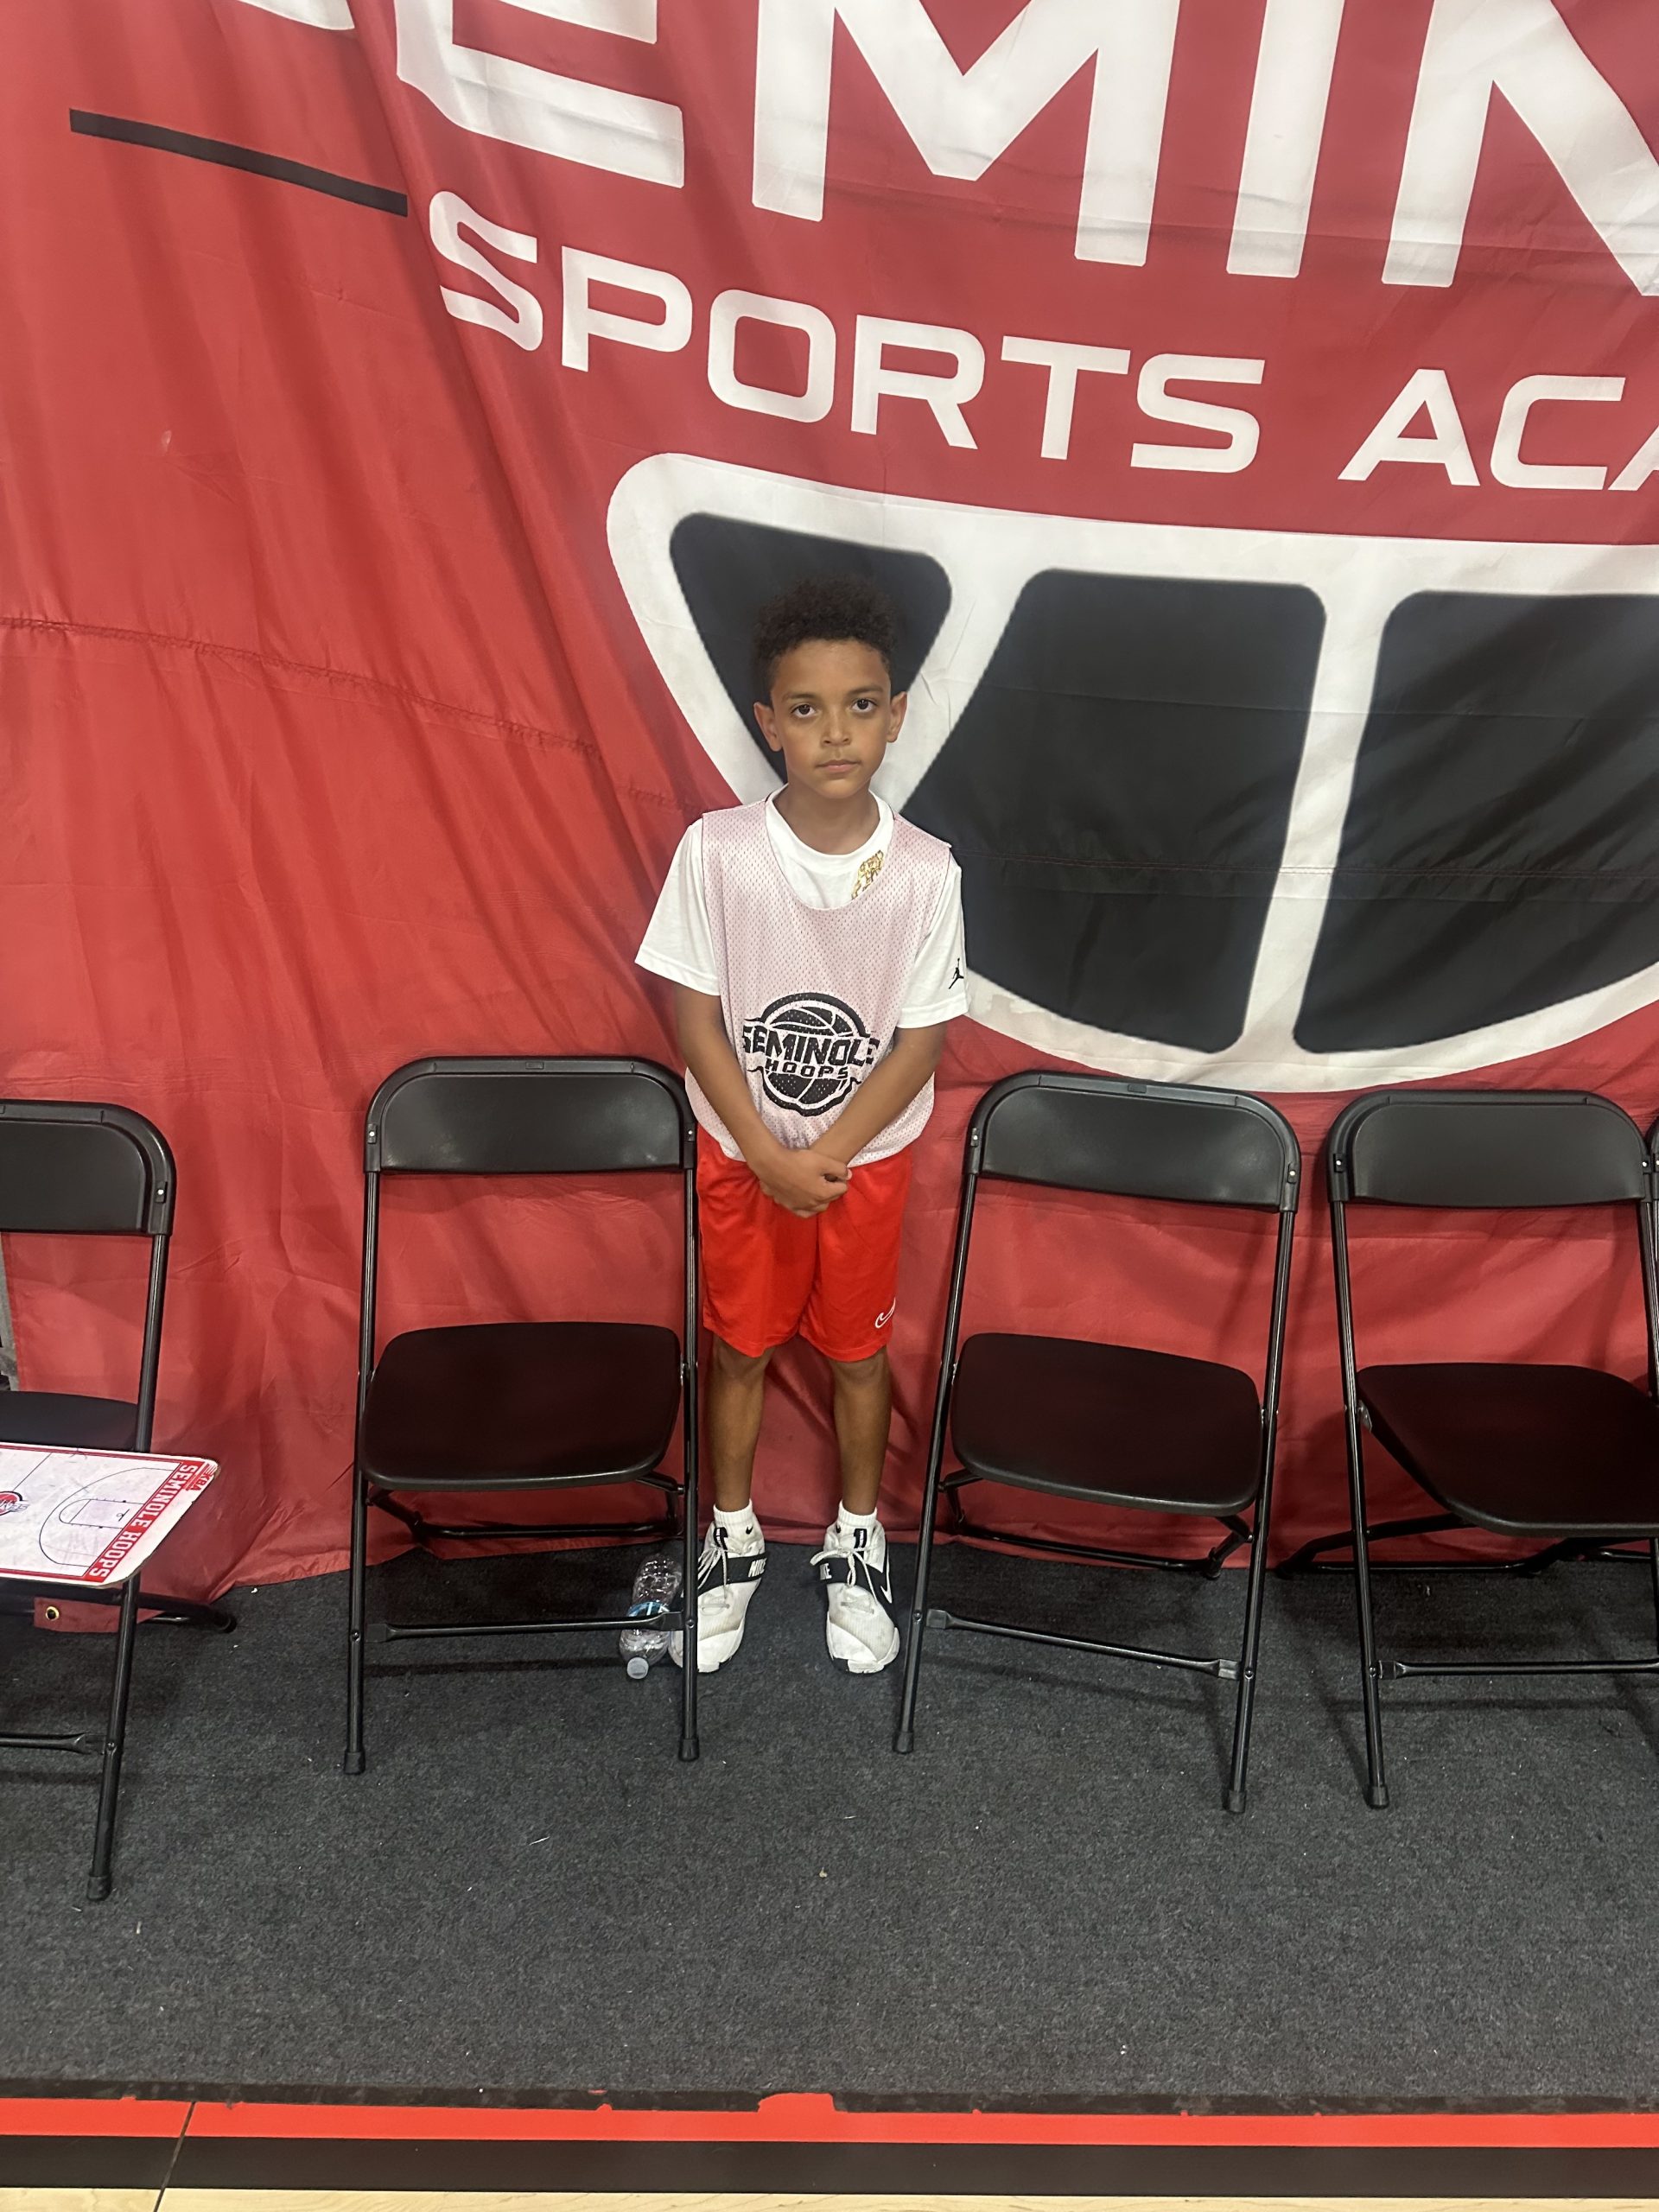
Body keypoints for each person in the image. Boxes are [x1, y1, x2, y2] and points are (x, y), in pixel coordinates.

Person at [636, 575, 967, 1675]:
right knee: (738, 1348)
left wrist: (821, 1155)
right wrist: (765, 1151)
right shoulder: (718, 851)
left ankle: (858, 1537)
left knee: (858, 1356)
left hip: (860, 1163)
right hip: (745, 1155)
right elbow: (693, 1014)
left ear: (896, 714)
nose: (836, 732)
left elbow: (920, 1041)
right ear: (768, 721)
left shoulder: (926, 873)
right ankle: (732, 1536)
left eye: (861, 705)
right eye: (808, 708)